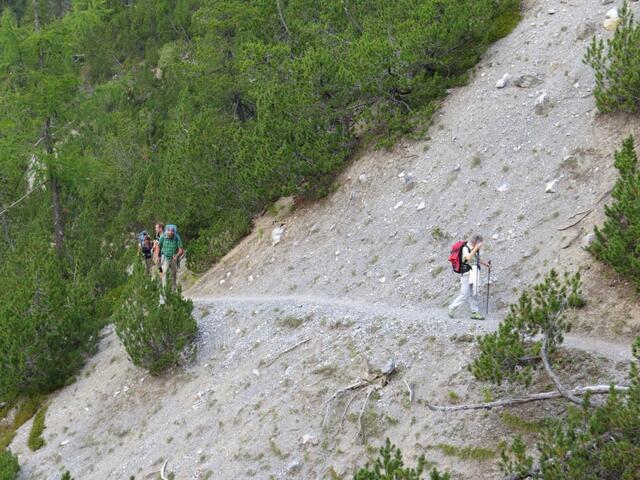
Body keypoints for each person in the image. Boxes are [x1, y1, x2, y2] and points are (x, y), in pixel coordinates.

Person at [448, 234, 491, 320]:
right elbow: (468, 258)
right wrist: (476, 248)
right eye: (480, 244)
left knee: (474, 293)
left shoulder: (474, 248)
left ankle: (475, 312)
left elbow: (476, 258)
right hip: (466, 274)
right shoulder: (465, 248)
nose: (480, 246)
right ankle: (452, 307)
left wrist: (486, 264)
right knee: (464, 294)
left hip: (474, 273)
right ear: (475, 242)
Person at [157, 225, 184, 292]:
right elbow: (158, 247)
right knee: (164, 272)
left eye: (172, 231)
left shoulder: (177, 237)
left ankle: (174, 290)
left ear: (174, 232)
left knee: (174, 274)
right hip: (164, 256)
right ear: (166, 231)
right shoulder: (163, 237)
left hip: (173, 257)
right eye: (169, 231)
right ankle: (164, 291)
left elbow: (181, 250)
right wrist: (158, 256)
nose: (170, 232)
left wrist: (177, 255)